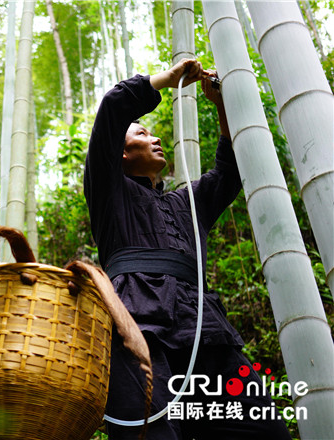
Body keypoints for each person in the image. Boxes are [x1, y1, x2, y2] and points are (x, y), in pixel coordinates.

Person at [84, 59, 292, 439]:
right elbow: (114, 107)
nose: (156, 138)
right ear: (121, 153)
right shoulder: (108, 191)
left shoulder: (189, 202)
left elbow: (228, 173)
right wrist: (168, 79)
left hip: (204, 328)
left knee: (265, 429)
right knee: (151, 434)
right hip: (136, 325)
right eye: (143, 133)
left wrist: (221, 103)